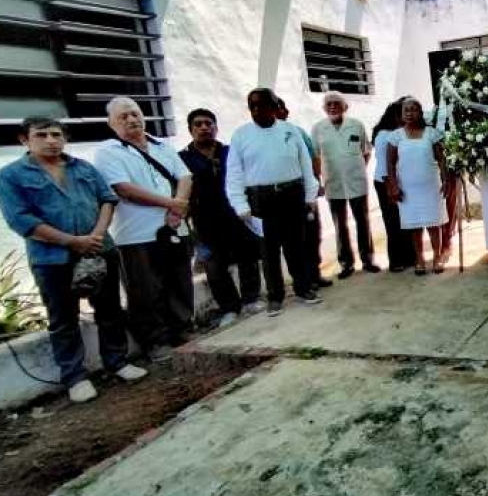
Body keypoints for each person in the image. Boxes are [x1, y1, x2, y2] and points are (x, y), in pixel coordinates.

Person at [0, 117, 147, 403]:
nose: (51, 140)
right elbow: (21, 220)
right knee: (63, 319)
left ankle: (117, 362)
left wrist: (96, 236)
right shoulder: (10, 176)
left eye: (56, 134)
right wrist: (72, 242)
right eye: (41, 135)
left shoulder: (83, 168)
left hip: (99, 250)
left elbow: (106, 200)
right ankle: (75, 377)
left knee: (110, 310)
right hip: (52, 259)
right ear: (24, 140)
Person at [94, 97, 194, 358]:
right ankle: (155, 341)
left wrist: (178, 207)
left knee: (179, 281)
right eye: (123, 116)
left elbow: (185, 176)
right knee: (146, 290)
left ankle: (182, 330)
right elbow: (124, 189)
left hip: (174, 227)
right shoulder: (108, 151)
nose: (131, 120)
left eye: (135, 114)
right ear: (111, 123)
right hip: (137, 234)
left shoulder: (162, 145)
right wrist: (172, 204)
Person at [227, 88, 322, 315]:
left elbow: (305, 164)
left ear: (275, 107)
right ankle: (275, 296)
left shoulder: (290, 130)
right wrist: (240, 205)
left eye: (262, 105)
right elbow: (234, 173)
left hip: (292, 194)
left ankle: (303, 288)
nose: (256, 110)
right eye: (252, 106)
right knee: (268, 249)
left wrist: (310, 195)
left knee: (296, 245)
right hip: (260, 199)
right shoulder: (241, 135)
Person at [179, 108, 262, 324]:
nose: (204, 128)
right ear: (190, 130)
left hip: (237, 215)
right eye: (198, 124)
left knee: (248, 258)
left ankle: (251, 300)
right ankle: (229, 308)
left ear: (216, 128)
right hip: (204, 221)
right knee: (214, 266)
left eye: (209, 123)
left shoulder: (230, 152)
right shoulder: (183, 159)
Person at [311, 92, 379, 278]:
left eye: (336, 103)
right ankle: (346, 264)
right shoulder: (318, 129)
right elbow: (315, 157)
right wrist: (318, 180)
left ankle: (368, 260)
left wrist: (356, 168)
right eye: (329, 104)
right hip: (333, 182)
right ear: (324, 108)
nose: (333, 107)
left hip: (356, 180)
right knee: (340, 225)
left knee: (363, 221)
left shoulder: (356, 125)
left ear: (344, 107)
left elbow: (366, 151)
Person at [385, 98, 449, 275]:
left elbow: (442, 160)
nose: (410, 113)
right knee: (414, 227)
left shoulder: (432, 134)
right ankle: (419, 259)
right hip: (407, 190)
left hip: (431, 187)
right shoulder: (396, 136)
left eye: (414, 109)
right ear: (401, 114)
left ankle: (437, 257)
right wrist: (393, 186)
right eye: (406, 110)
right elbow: (390, 164)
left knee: (434, 224)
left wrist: (446, 180)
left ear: (420, 113)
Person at [278, 96, 333, 290]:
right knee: (293, 241)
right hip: (282, 198)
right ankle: (302, 280)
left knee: (312, 235)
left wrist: (317, 182)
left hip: (305, 194)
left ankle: (315, 274)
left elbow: (313, 158)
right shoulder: (258, 137)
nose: (276, 112)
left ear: (285, 112)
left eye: (279, 108)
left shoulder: (298, 132)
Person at [372, 98, 417, 272]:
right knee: (392, 222)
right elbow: (384, 165)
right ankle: (396, 261)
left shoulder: (399, 132)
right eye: (404, 112)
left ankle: (409, 257)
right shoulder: (384, 135)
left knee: (404, 220)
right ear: (396, 115)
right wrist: (391, 188)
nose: (408, 116)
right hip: (386, 183)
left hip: (399, 181)